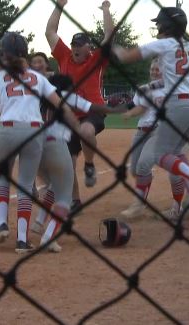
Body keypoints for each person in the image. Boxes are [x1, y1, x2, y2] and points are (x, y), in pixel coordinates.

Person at [0, 32, 79, 254]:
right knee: (26, 185)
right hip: (35, 132)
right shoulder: (38, 78)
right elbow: (59, 104)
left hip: (8, 128)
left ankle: (1, 223)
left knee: (2, 177)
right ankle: (21, 240)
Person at [112, 6, 189, 221]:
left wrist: (115, 48)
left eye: (159, 23)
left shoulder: (164, 44)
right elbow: (171, 76)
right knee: (174, 150)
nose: (157, 26)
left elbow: (127, 57)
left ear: (166, 25)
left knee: (160, 155)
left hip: (180, 105)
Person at [30, 74, 125, 251]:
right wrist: (116, 109)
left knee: (53, 185)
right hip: (56, 145)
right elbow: (91, 107)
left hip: (35, 148)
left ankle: (39, 221)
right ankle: (49, 238)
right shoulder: (67, 96)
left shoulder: (40, 97)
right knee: (65, 197)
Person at [46, 0, 114, 212]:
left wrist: (105, 10)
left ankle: (90, 164)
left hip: (92, 112)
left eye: (80, 45)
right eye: (74, 44)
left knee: (86, 130)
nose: (75, 48)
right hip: (68, 115)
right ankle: (75, 200)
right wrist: (59, 6)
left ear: (88, 48)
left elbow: (109, 37)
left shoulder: (96, 60)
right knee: (67, 163)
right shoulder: (64, 56)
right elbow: (50, 31)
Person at [118, 58, 188, 221]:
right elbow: (141, 108)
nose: (154, 72)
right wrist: (129, 113)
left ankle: (143, 205)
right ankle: (144, 191)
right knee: (135, 169)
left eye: (158, 69)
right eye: (153, 69)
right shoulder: (145, 89)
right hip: (142, 131)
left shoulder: (172, 88)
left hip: (161, 132)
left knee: (146, 166)